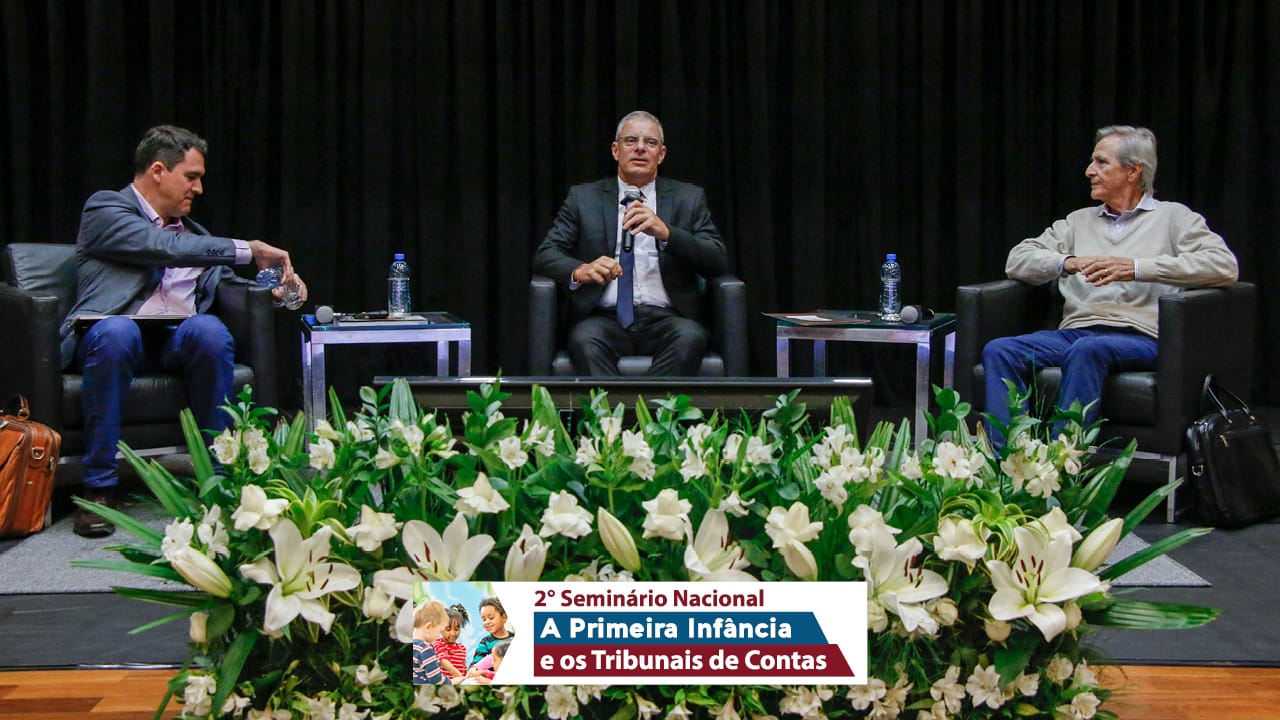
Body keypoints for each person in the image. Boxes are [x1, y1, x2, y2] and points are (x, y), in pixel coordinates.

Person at [62, 125, 308, 538]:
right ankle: (98, 491)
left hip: (175, 342)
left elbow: (231, 284)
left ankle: (218, 482)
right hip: (112, 339)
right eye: (191, 177)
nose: (198, 189)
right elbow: (162, 247)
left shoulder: (197, 235)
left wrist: (280, 292)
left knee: (209, 331)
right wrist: (249, 248)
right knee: (118, 331)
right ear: (159, 170)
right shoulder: (105, 209)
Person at [982, 125, 1238, 447]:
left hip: (1142, 337)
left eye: (1101, 162)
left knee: (1089, 350)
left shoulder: (1174, 218)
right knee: (1000, 350)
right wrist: (1067, 262)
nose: (1090, 171)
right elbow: (1017, 260)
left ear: (1133, 171)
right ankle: (1009, 467)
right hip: (1077, 332)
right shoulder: (1078, 221)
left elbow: (1224, 266)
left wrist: (1135, 269)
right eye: (1092, 162)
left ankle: (1062, 466)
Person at [532, 110, 728, 376]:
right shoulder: (583, 198)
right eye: (630, 141)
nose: (639, 148)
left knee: (691, 338)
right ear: (616, 150)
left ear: (661, 154)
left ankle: (644, 416)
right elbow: (546, 254)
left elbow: (717, 259)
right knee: (583, 340)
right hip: (604, 318)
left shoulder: (688, 198)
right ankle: (614, 418)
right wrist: (581, 270)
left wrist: (667, 233)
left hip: (667, 318)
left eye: (650, 143)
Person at [468, 596, 513, 670]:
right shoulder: (485, 642)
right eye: (484, 619)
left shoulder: (513, 637)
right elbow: (475, 665)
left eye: (491, 618)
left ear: (504, 617)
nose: (487, 622)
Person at [413, 600, 449, 685]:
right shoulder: (425, 649)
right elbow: (436, 679)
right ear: (429, 627)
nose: (439, 636)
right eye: (439, 631)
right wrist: (451, 682)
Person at [433, 603, 470, 680]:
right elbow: (443, 661)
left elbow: (463, 668)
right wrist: (461, 677)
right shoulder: (438, 643)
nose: (453, 633)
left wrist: (466, 678)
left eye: (456, 629)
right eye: (448, 629)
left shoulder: (462, 648)